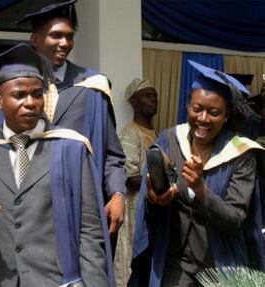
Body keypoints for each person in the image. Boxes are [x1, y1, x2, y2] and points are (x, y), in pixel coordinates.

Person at [0, 43, 113, 287]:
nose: (31, 102)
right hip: (1, 279)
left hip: (58, 281)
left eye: (37, 94)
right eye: (19, 95)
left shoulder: (71, 147)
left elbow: (90, 231)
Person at [132, 60, 265, 286]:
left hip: (221, 263)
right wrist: (157, 199)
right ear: (187, 107)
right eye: (197, 109)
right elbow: (171, 184)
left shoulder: (240, 154)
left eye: (214, 112)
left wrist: (201, 190)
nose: (203, 119)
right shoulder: (171, 140)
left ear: (226, 116)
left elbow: (234, 219)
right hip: (175, 260)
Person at [16, 0, 126, 237]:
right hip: (30, 209)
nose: (64, 43)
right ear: (35, 40)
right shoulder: (17, 88)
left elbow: (112, 154)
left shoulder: (93, 86)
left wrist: (117, 194)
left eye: (69, 36)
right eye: (56, 35)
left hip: (80, 204)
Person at [114, 78, 158, 286]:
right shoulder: (130, 133)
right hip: (134, 212)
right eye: (147, 95)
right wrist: (161, 185)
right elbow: (130, 178)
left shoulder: (156, 134)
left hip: (152, 211)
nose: (153, 99)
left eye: (154, 95)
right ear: (134, 102)